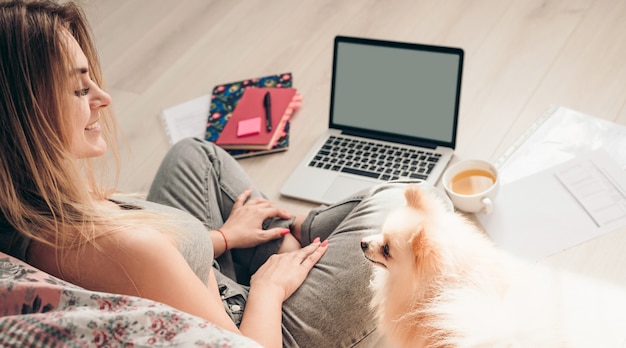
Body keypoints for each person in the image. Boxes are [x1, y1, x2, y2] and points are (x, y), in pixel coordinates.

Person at [0, 1, 424, 346]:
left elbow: (150, 271)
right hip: (260, 325)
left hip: (202, 280)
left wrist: (221, 239)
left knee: (193, 154)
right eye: (79, 89)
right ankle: (297, 240)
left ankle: (286, 241)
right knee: (400, 201)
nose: (103, 98)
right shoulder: (121, 247)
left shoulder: (24, 211)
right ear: (23, 117)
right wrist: (268, 288)